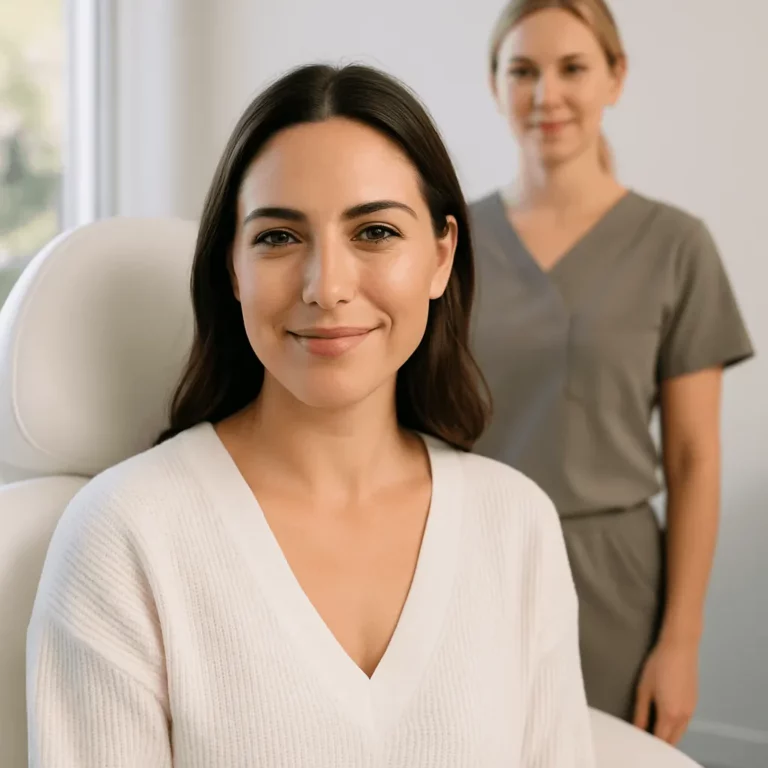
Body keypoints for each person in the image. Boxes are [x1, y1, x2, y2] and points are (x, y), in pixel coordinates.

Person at [26, 63, 595, 767]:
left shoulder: (516, 524)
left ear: (441, 257)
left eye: (376, 232)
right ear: (231, 266)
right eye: (278, 237)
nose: (327, 287)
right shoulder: (126, 535)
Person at [469, 0, 755, 746]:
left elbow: (694, 458)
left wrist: (681, 642)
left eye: (573, 68)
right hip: (468, 565)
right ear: (495, 84)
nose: (546, 95)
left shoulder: (676, 246)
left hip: (615, 586)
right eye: (522, 70)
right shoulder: (449, 245)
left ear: (616, 78)